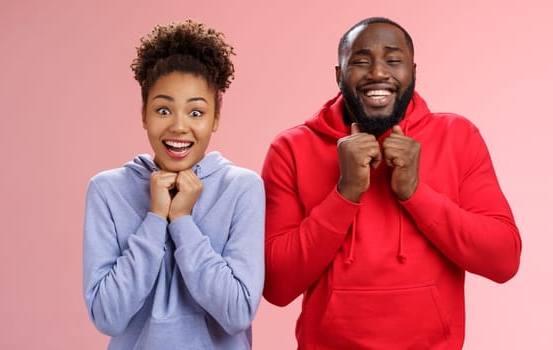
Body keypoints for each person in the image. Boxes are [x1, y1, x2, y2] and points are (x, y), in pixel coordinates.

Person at [262, 17, 522, 349]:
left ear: (413, 71)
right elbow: (277, 285)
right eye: (360, 61)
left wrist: (416, 193)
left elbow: (503, 260)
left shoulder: (458, 137)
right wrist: (345, 194)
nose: (378, 73)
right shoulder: (292, 148)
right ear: (339, 74)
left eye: (393, 60)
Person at [82, 20, 264, 349]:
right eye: (163, 110)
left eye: (196, 113)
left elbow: (237, 312)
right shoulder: (107, 191)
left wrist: (182, 221)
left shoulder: (241, 188)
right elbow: (107, 316)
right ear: (143, 114)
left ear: (216, 118)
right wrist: (154, 219)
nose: (179, 126)